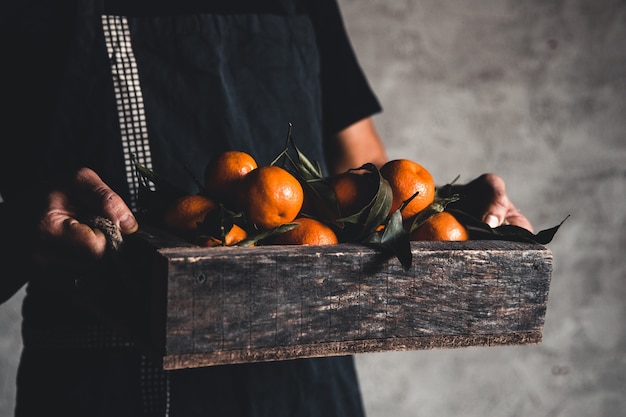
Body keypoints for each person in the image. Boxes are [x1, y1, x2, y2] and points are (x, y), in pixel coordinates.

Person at [0, 0, 533, 416]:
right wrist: (18, 225)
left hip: (307, 386)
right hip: (105, 388)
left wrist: (454, 213)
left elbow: (365, 165)